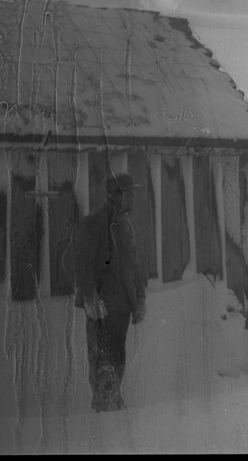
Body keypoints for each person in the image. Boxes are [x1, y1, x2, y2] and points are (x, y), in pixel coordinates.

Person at [74, 172, 148, 412]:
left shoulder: (126, 226)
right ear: (117, 196)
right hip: (101, 307)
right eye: (130, 193)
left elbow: (135, 266)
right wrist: (89, 297)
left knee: (118, 356)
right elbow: (82, 265)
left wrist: (140, 300)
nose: (134, 197)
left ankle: (114, 400)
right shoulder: (93, 223)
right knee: (101, 358)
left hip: (123, 306)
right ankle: (103, 408)